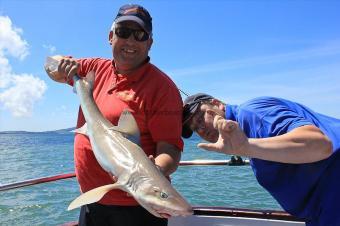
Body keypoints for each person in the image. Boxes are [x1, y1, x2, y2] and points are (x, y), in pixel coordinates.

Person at [45, 4, 183, 226]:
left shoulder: (162, 88)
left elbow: (170, 150)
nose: (130, 41)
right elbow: (50, 63)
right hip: (93, 199)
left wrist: (156, 170)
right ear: (111, 36)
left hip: (133, 209)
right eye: (123, 32)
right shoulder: (93, 67)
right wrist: (60, 65)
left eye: (140, 35)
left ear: (150, 43)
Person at [181, 93, 340, 226]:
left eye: (200, 119)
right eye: (196, 129)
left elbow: (320, 145)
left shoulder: (251, 112)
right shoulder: (246, 130)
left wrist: (246, 147)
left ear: (217, 104)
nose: (201, 129)